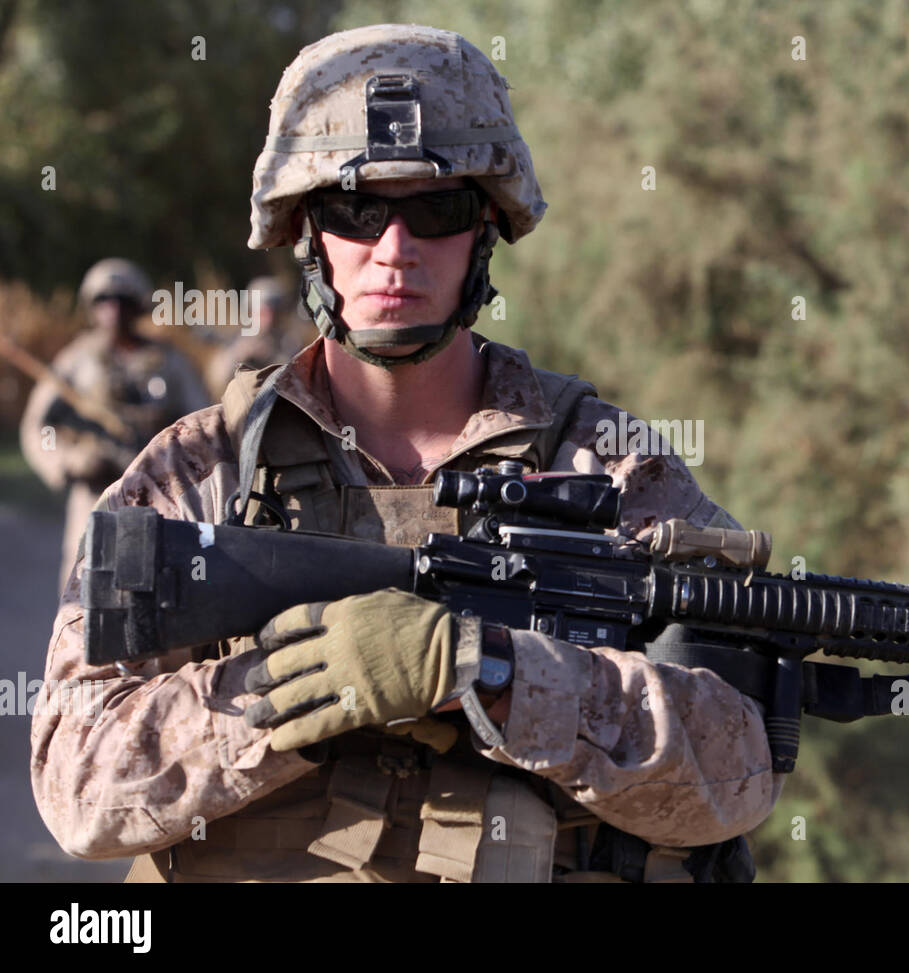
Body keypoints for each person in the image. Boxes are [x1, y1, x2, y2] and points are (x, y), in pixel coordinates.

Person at [30, 25, 780, 883]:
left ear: (485, 228)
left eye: (437, 209)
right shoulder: (203, 469)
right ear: (307, 232)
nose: (395, 249)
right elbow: (76, 782)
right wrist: (306, 688)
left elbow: (737, 769)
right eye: (357, 209)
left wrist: (497, 673)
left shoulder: (602, 465)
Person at [19, 258, 209, 592]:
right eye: (103, 301)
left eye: (122, 300)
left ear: (138, 305)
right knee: (88, 596)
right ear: (91, 308)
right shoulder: (76, 361)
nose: (113, 310)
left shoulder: (169, 363)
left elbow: (203, 423)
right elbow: (41, 428)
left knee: (162, 597)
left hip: (160, 498)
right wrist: (66, 461)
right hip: (94, 500)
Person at [203, 276, 316, 396]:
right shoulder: (238, 341)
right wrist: (240, 354)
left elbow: (301, 380)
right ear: (251, 311)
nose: (269, 318)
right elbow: (216, 381)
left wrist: (272, 357)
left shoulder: (290, 342)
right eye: (262, 312)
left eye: (273, 312)